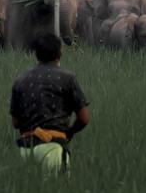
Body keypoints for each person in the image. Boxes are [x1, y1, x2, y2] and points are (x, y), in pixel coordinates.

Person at [9, 34, 90, 174]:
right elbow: (84, 119)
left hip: (25, 149)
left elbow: (16, 122)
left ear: (36, 54)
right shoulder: (67, 78)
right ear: (60, 53)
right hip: (54, 148)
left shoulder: (21, 80)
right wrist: (69, 132)